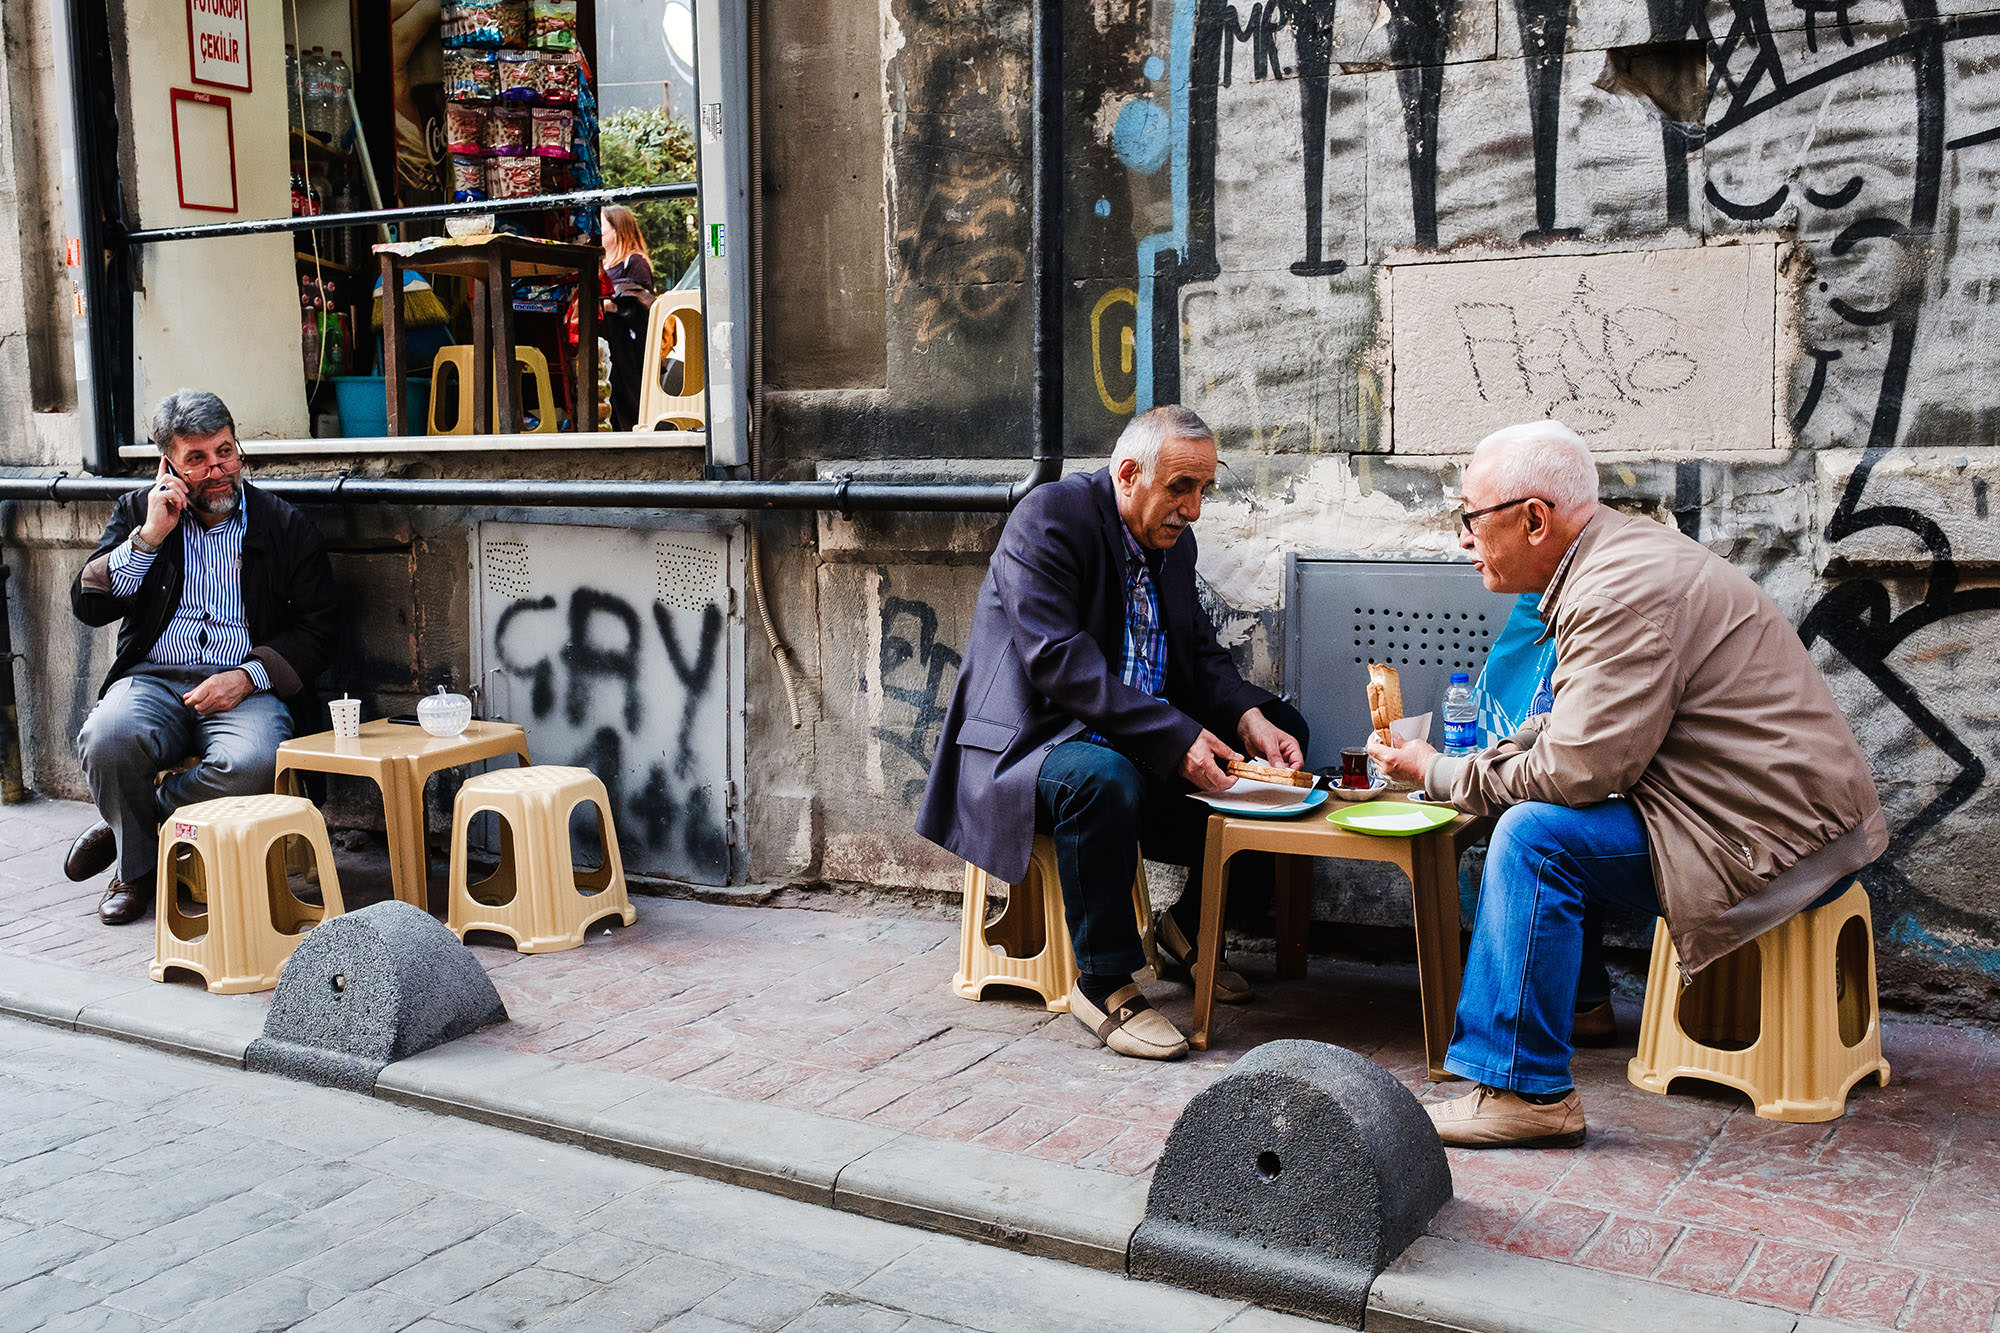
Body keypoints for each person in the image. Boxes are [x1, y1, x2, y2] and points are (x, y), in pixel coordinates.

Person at [1369, 420, 1885, 1147]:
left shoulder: (1618, 592)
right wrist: (1445, 766)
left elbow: (1578, 771)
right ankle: (1571, 1012)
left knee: (1532, 837)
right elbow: (1575, 732)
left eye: (1470, 518)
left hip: (1772, 843)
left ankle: (1526, 1090)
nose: (1463, 538)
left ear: (1534, 518)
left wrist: (1446, 773)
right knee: (1534, 817)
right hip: (1758, 819)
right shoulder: (1611, 560)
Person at [917, 405, 1308, 1060]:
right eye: (1181, 488)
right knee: (1102, 777)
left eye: (1203, 489)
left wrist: (1248, 716)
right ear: (1128, 474)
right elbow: (1058, 664)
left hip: (1138, 739)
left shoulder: (1171, 542)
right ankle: (1103, 984)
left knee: (1286, 733)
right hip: (1034, 747)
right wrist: (1175, 734)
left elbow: (1201, 656)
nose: (1195, 509)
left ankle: (1187, 929)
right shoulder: (1048, 520)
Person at [63, 391, 339, 925]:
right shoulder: (138, 514)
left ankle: (134, 836)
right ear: (168, 464)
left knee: (254, 760)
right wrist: (149, 537)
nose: (217, 470)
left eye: (225, 452)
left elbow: (320, 629)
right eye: (198, 459)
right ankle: (138, 874)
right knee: (107, 737)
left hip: (246, 688)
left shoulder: (283, 526)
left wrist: (247, 675)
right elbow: (88, 604)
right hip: (153, 679)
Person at [599, 204, 657, 431]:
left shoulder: (634, 262)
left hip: (628, 346)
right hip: (610, 342)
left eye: (602, 227)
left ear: (617, 230)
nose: (599, 232)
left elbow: (642, 305)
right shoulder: (605, 264)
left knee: (627, 392)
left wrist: (612, 306)